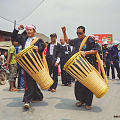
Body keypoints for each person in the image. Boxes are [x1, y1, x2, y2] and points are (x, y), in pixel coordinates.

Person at [61, 26, 98, 110]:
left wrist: (86, 52)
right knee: (79, 85)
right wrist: (64, 32)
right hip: (79, 65)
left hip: (88, 65)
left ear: (84, 33)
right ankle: (81, 100)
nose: (79, 35)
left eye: (80, 33)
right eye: (77, 33)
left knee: (89, 84)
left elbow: (95, 50)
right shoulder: (76, 40)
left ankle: (88, 103)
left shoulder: (89, 39)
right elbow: (67, 41)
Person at [12, 24, 45, 109]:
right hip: (26, 63)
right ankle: (32, 98)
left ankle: (32, 98)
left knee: (31, 81)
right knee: (30, 81)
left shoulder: (38, 40)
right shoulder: (23, 39)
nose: (29, 31)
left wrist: (38, 48)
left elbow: (42, 47)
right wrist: (17, 29)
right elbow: (14, 38)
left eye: (31, 30)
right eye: (28, 30)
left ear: (34, 31)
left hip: (35, 63)